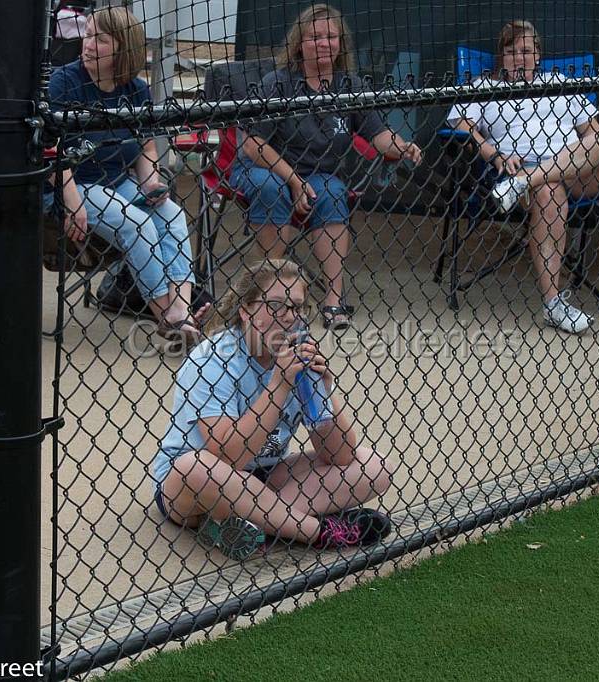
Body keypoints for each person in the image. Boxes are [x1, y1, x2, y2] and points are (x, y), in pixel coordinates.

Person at [151, 259, 393, 557]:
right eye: (276, 305)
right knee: (196, 466)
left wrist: (325, 393)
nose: (289, 317)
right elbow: (229, 457)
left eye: (297, 307)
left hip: (266, 476)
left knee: (374, 466)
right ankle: (316, 532)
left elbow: (339, 456)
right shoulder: (212, 358)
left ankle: (243, 524)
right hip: (197, 486)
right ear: (245, 310)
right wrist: (278, 385)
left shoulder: (298, 357)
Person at [235, 3, 422, 332]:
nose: (324, 42)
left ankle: (333, 299)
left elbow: (379, 135)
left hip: (318, 175)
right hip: (266, 169)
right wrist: (293, 181)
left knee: (334, 192)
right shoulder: (277, 83)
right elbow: (253, 145)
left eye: (331, 36)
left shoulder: (350, 86)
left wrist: (402, 146)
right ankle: (267, 295)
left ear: (341, 44)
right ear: (299, 43)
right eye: (315, 36)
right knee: (272, 188)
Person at [447, 20, 599, 334]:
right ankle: (554, 304)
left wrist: (586, 156)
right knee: (549, 192)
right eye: (512, 51)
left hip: (577, 171)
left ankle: (526, 182)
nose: (520, 57)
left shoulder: (559, 82)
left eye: (526, 50)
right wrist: (493, 154)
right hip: (523, 169)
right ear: (501, 56)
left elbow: (594, 135)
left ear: (538, 55)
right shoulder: (485, 87)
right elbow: (460, 124)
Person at [48, 6, 208, 346]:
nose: (88, 44)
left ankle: (181, 310)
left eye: (100, 39)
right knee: (138, 224)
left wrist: (150, 181)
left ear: (123, 48)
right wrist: (72, 202)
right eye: (87, 34)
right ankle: (166, 316)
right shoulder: (66, 81)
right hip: (74, 182)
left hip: (116, 182)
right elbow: (53, 150)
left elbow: (146, 148)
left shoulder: (135, 89)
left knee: (172, 216)